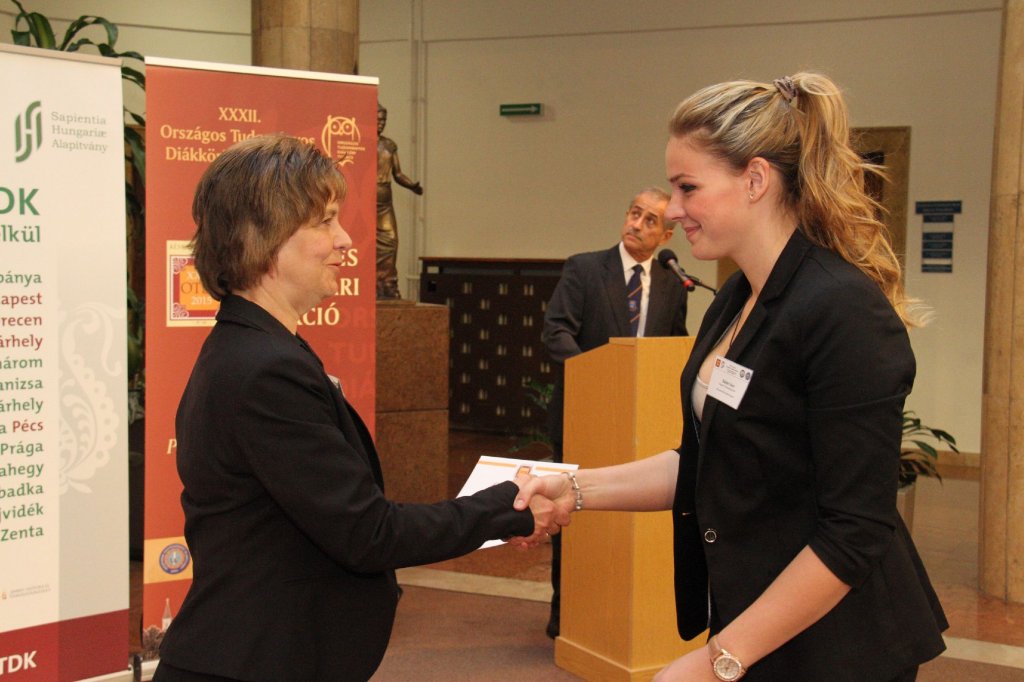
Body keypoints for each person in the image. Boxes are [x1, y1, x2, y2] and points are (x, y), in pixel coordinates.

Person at [517, 73, 947, 680]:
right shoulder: (738, 297)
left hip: (838, 648)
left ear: (755, 179)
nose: (672, 210)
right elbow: (710, 459)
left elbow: (854, 531)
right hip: (758, 621)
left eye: (687, 187)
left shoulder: (841, 308)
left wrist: (718, 660)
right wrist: (576, 488)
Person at [153, 134, 562, 682]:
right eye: (325, 221)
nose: (346, 239)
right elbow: (369, 533)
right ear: (262, 238)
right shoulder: (264, 369)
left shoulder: (259, 349)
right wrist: (507, 504)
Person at [540, 187, 689, 638]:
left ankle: (623, 615)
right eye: (634, 213)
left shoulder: (672, 284)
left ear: (666, 235)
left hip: (642, 424)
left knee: (628, 518)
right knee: (574, 512)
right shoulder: (585, 268)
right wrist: (596, 378)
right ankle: (566, 613)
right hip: (586, 415)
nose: (636, 224)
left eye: (650, 220)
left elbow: (672, 348)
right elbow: (556, 332)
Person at [376, 102, 423, 299]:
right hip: (366, 199)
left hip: (385, 199)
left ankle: (387, 283)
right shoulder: (359, 143)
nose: (381, 123)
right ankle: (372, 284)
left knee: (391, 240)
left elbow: (398, 174)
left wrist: (412, 185)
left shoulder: (389, 145)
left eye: (384, 120)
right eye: (378, 119)